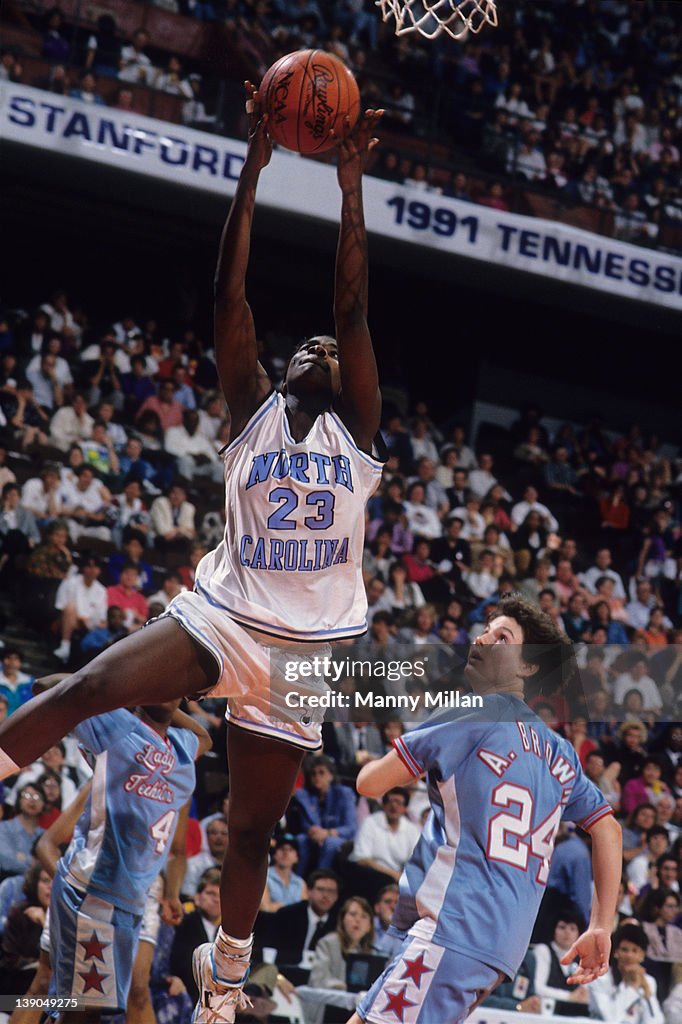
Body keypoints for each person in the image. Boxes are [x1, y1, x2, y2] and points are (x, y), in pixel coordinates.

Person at [0, 87, 385, 1024]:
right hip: (223, 613)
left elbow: (354, 298)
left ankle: (224, 978)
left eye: (333, 349)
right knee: (88, 685)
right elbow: (230, 295)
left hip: (305, 656)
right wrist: (250, 173)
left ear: (344, 382)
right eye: (310, 345)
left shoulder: (361, 435)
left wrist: (348, 191)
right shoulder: (248, 414)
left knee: (251, 832)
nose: (321, 344)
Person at [348, 596, 622, 1024]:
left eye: (502, 637)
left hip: (454, 926)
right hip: (501, 947)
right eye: (486, 629)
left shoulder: (473, 712)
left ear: (528, 666)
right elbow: (607, 828)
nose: (483, 638)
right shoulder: (561, 752)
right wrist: (601, 924)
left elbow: (370, 784)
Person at [34, 677, 210, 1021]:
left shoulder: (181, 749)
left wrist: (172, 892)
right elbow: (45, 685)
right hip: (91, 888)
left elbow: (205, 737)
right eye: (160, 675)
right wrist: (127, 682)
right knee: (63, 999)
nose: (168, 683)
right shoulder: (116, 725)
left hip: (132, 898)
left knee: (98, 1006)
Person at [588, 922, 665, 1023]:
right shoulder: (600, 979)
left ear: (642, 956)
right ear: (615, 952)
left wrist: (648, 995)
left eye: (635, 951)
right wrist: (631, 987)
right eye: (624, 950)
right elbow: (611, 1019)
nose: (629, 955)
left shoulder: (649, 981)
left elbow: (656, 1021)